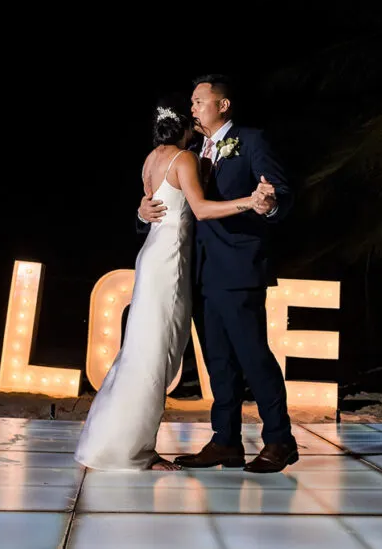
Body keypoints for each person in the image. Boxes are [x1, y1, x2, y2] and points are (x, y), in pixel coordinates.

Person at [74, 97, 273, 471]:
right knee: (154, 359)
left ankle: (114, 443)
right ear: (184, 126)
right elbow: (198, 209)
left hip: (153, 258)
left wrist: (139, 209)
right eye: (193, 114)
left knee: (142, 354)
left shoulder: (152, 158)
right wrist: (250, 201)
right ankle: (133, 451)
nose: (198, 118)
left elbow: (152, 203)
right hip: (170, 266)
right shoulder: (184, 159)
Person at [138, 74, 298, 473]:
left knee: (253, 356)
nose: (192, 108)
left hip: (239, 267)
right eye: (190, 102)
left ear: (222, 105)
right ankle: (225, 441)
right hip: (196, 270)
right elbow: (166, 199)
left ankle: (279, 439)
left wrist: (268, 203)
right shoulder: (188, 148)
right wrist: (141, 213)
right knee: (218, 363)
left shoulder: (251, 140)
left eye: (198, 101)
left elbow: (279, 191)